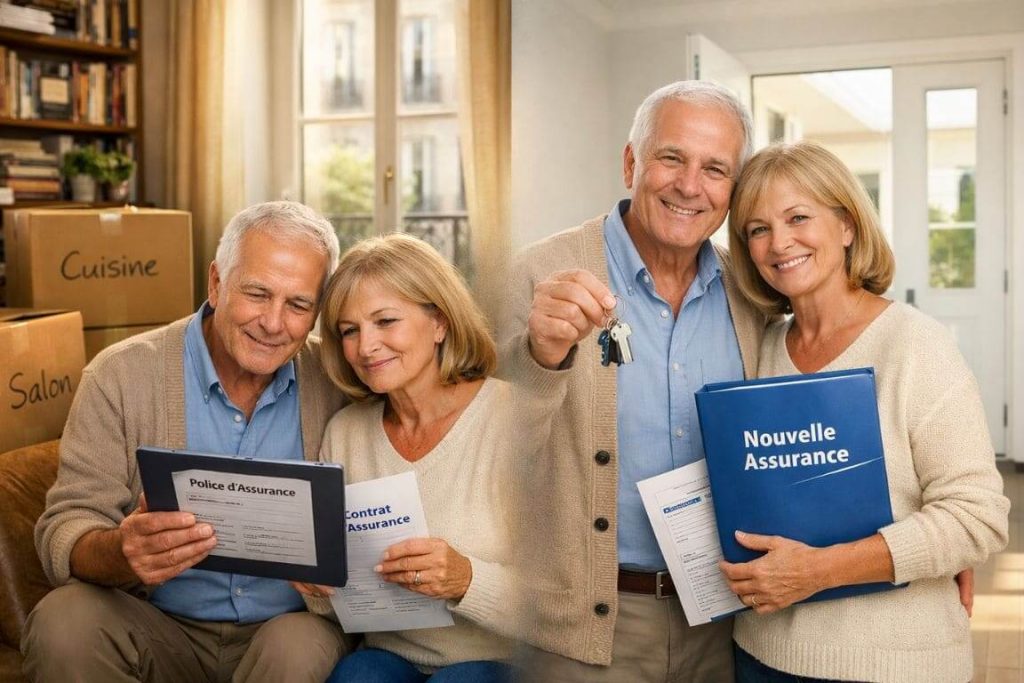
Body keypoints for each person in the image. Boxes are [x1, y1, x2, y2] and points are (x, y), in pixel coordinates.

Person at [499, 81, 771, 681]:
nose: (689, 185)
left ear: (734, 190)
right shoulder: (536, 274)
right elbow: (486, 445)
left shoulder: (754, 294)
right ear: (631, 162)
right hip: (585, 629)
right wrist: (541, 357)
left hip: (725, 620)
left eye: (716, 169)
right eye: (671, 157)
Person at [22, 201, 350, 683]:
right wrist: (121, 550)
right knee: (64, 620)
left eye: (298, 305)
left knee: (297, 649)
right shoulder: (120, 374)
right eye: (257, 293)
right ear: (217, 284)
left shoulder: (339, 381)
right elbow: (65, 526)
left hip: (287, 628)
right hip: (157, 624)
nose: (274, 323)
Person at [722, 140, 1009, 683]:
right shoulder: (759, 347)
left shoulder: (914, 344)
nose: (779, 243)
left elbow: (978, 519)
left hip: (892, 665)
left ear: (848, 225)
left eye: (798, 217)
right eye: (758, 229)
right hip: (759, 655)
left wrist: (820, 571)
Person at [302, 233, 520, 682]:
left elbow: (569, 596)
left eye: (385, 321)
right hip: (388, 654)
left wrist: (466, 579)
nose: (365, 347)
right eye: (349, 330)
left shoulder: (515, 418)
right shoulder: (345, 433)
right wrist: (319, 588)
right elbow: (335, 603)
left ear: (439, 323)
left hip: (501, 660)